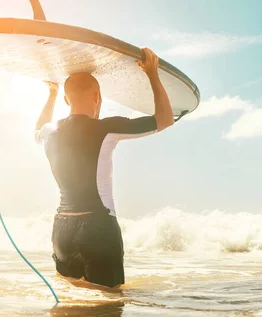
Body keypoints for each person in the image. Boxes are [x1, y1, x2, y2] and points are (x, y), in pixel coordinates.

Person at [34, 47, 175, 288]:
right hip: (97, 227)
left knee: (71, 305)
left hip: (62, 229)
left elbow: (39, 128)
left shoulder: (50, 132)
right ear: (97, 96)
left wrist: (51, 94)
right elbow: (165, 119)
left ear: (67, 100)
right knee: (109, 307)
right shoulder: (106, 128)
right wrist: (152, 74)